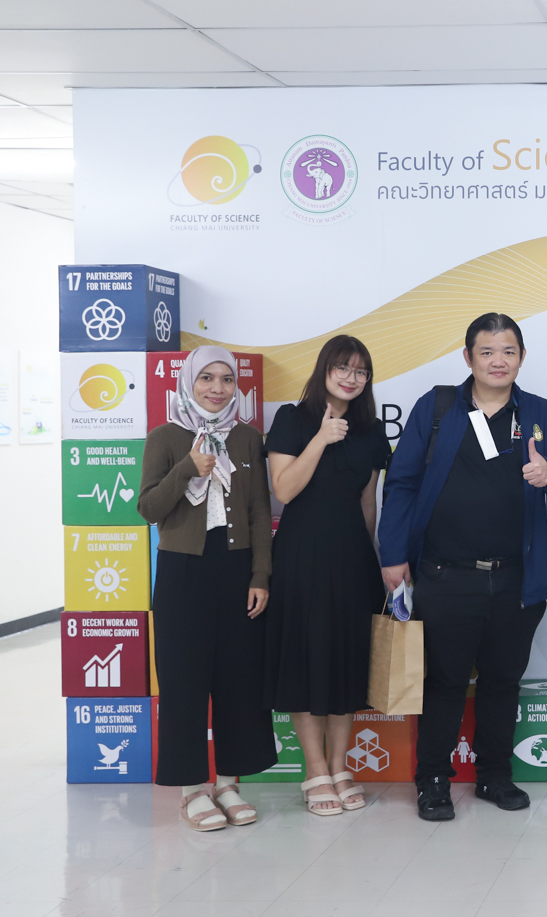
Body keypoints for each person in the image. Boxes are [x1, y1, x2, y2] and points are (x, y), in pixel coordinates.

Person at [378, 313, 547, 822]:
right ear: (468, 357)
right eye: (487, 352)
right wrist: (393, 555)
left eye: (508, 351)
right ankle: (432, 780)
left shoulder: (540, 413)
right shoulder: (438, 406)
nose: (498, 361)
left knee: (503, 680)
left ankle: (495, 775)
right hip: (445, 576)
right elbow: (401, 483)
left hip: (516, 577)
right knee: (444, 682)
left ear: (522, 357)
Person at [137, 345, 274, 831]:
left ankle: (229, 784)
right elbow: (149, 508)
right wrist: (187, 469)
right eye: (207, 378)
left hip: (236, 569)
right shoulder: (165, 436)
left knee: (239, 679)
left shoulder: (247, 437)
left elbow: (260, 510)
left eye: (227, 379)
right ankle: (192, 789)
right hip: (183, 571)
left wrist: (260, 576)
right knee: (183, 681)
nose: (218, 388)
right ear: (188, 382)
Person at [265, 336, 392, 816]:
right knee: (306, 659)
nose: (351, 378)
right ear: (324, 370)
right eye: (343, 368)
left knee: (346, 663)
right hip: (300, 558)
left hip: (352, 560)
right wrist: (321, 437)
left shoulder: (372, 431)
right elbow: (283, 490)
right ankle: (314, 769)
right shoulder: (292, 420)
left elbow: (367, 502)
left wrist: (369, 556)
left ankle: (340, 766)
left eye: (360, 371)